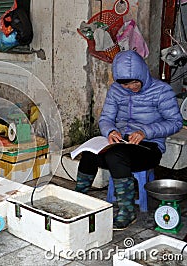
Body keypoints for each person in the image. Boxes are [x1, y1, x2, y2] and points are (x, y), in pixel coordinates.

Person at [74, 50, 183, 230]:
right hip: (121, 142)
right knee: (89, 153)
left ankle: (127, 211)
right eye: (125, 84)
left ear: (142, 74)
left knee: (116, 156)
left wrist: (145, 132)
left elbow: (175, 122)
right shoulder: (116, 90)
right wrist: (110, 131)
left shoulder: (161, 90)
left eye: (134, 82)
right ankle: (78, 198)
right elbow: (106, 118)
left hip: (149, 147)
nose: (130, 87)